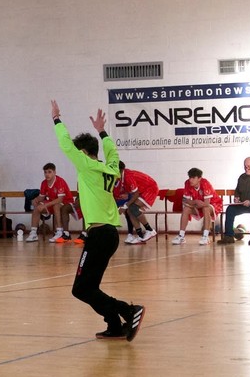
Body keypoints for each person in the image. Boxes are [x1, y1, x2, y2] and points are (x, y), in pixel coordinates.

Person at [51, 100, 145, 342]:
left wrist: (57, 120)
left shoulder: (87, 167)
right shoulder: (110, 168)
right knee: (89, 287)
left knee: (81, 289)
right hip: (109, 235)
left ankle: (128, 311)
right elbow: (113, 152)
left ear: (83, 153)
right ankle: (114, 325)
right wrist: (102, 131)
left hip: (99, 235)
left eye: (78, 152)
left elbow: (65, 144)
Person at [218, 156, 250, 246]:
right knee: (230, 209)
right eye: (245, 166)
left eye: (249, 167)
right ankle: (229, 236)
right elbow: (237, 190)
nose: (246, 169)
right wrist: (236, 198)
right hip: (244, 204)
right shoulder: (242, 177)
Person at [25, 163, 77, 243]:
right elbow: (41, 197)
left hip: (66, 202)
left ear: (54, 172)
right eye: (45, 172)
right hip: (53, 202)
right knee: (37, 208)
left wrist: (45, 205)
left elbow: (60, 200)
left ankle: (59, 232)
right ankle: (33, 233)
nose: (47, 174)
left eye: (49, 172)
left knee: (56, 205)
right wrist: (36, 199)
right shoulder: (44, 183)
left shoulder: (60, 181)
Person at [171, 168, 223, 246]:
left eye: (193, 178)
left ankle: (205, 236)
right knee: (186, 209)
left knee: (206, 208)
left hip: (214, 204)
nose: (190, 180)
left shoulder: (205, 183)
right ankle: (181, 236)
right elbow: (185, 201)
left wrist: (193, 202)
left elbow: (206, 203)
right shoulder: (187, 183)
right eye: (190, 177)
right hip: (199, 204)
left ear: (199, 178)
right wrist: (195, 202)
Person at [113, 162, 158, 244]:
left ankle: (150, 230)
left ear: (120, 170)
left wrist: (124, 206)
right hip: (142, 190)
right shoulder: (122, 177)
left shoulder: (127, 177)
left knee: (133, 208)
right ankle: (140, 236)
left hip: (150, 188)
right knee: (130, 211)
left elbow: (136, 194)